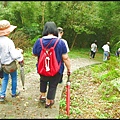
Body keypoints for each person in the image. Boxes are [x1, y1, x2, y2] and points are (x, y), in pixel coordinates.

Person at [32, 21, 71, 108]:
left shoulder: (39, 41)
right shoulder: (61, 42)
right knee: (53, 84)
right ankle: (49, 101)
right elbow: (65, 58)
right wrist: (69, 68)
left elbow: (34, 53)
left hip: (42, 67)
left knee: (43, 80)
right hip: (56, 69)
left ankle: (42, 96)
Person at [0, 20, 24, 102]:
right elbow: (14, 55)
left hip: (3, 64)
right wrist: (19, 52)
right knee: (14, 77)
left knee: (5, 79)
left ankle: (2, 95)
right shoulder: (9, 42)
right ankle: (14, 92)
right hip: (10, 64)